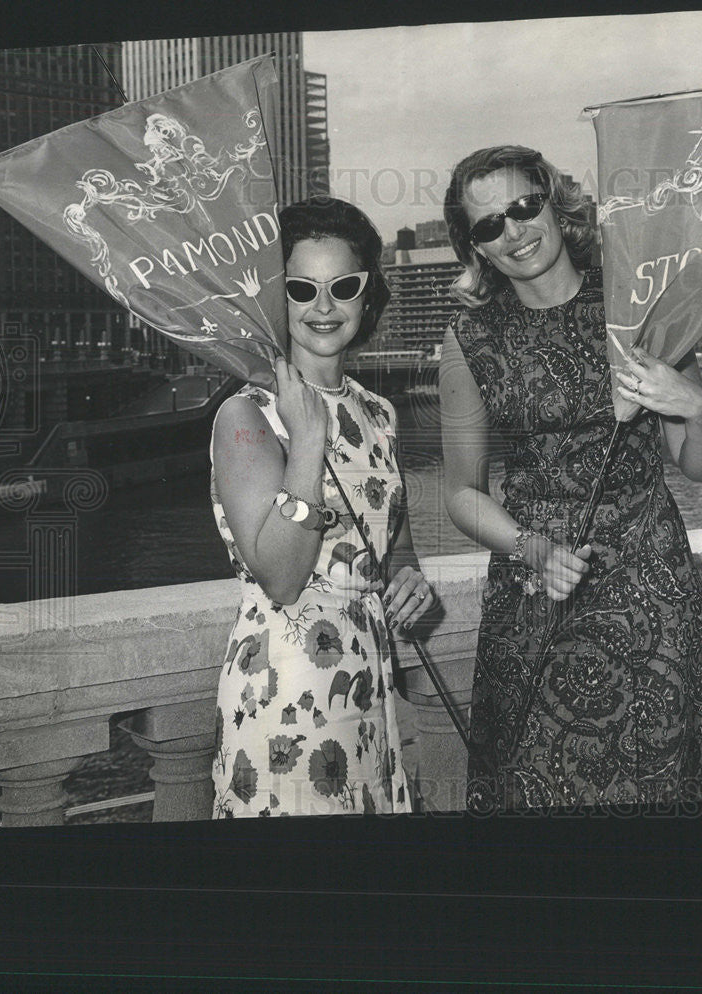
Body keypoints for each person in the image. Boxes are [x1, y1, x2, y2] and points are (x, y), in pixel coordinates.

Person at [440, 145, 702, 812]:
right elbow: (460, 491)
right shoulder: (469, 339)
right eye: (490, 226)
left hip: (651, 594)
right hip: (537, 594)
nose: (515, 232)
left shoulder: (638, 311)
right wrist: (533, 550)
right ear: (476, 249)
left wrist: (695, 407)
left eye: (524, 207)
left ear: (554, 201)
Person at [209, 197, 434, 817]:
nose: (324, 307)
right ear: (276, 298)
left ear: (368, 295)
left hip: (370, 675)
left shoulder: (378, 413)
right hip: (287, 685)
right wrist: (305, 442)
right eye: (302, 287)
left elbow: (392, 541)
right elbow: (280, 577)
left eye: (344, 286)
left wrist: (409, 577)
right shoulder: (246, 414)